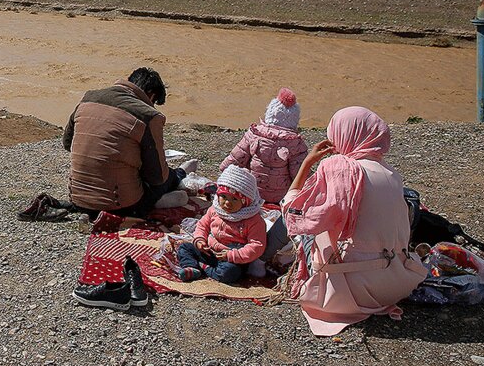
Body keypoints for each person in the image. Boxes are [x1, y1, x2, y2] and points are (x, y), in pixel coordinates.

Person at [282, 106, 427, 336]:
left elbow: (291, 211)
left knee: (306, 222)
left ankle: (307, 280)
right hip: (398, 282)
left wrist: (307, 163)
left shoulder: (340, 167)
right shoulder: (391, 174)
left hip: (352, 293)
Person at [63, 67, 193, 219]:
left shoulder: (88, 98)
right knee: (167, 176)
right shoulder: (148, 115)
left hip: (78, 200)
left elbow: (67, 143)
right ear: (151, 95)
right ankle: (180, 175)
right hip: (123, 207)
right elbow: (156, 177)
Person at [175, 166, 267, 284]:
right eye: (223, 197)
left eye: (234, 199)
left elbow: (257, 246)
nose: (227, 203)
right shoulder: (215, 210)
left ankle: (203, 267)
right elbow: (203, 225)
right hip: (209, 250)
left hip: (232, 258)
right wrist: (200, 240)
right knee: (184, 248)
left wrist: (232, 255)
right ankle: (191, 267)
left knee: (229, 273)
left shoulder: (253, 220)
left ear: (246, 202)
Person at [219, 88, 308, 204]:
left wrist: (224, 170)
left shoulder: (254, 134)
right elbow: (299, 173)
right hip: (280, 196)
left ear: (270, 113)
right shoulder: (295, 143)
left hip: (251, 191)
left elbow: (236, 158)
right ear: (294, 120)